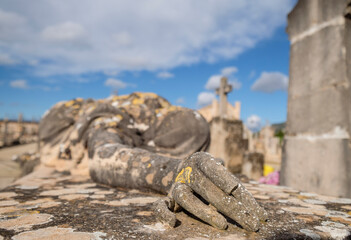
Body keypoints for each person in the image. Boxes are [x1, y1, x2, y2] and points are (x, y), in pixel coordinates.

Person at [39, 92, 267, 232]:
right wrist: (174, 171)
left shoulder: (169, 116)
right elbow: (104, 156)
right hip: (78, 125)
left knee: (196, 123)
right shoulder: (109, 115)